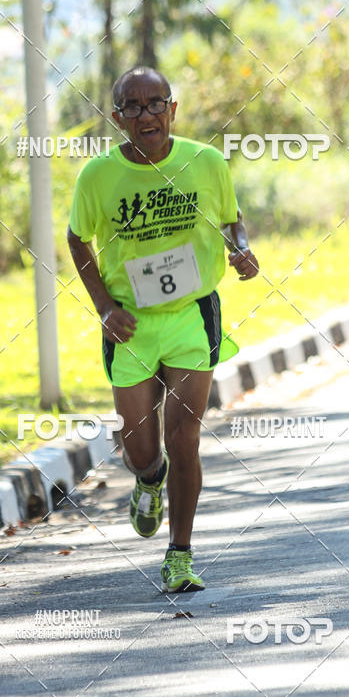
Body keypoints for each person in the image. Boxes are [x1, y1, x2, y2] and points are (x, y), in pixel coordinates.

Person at [67, 65, 258, 592]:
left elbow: (230, 218)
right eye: (134, 106)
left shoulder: (206, 161)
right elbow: (77, 239)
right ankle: (148, 480)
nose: (147, 115)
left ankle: (180, 555)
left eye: (157, 104)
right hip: (131, 325)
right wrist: (104, 307)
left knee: (185, 436)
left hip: (192, 318)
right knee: (142, 449)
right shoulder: (98, 177)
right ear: (118, 117)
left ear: (173, 110)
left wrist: (240, 248)